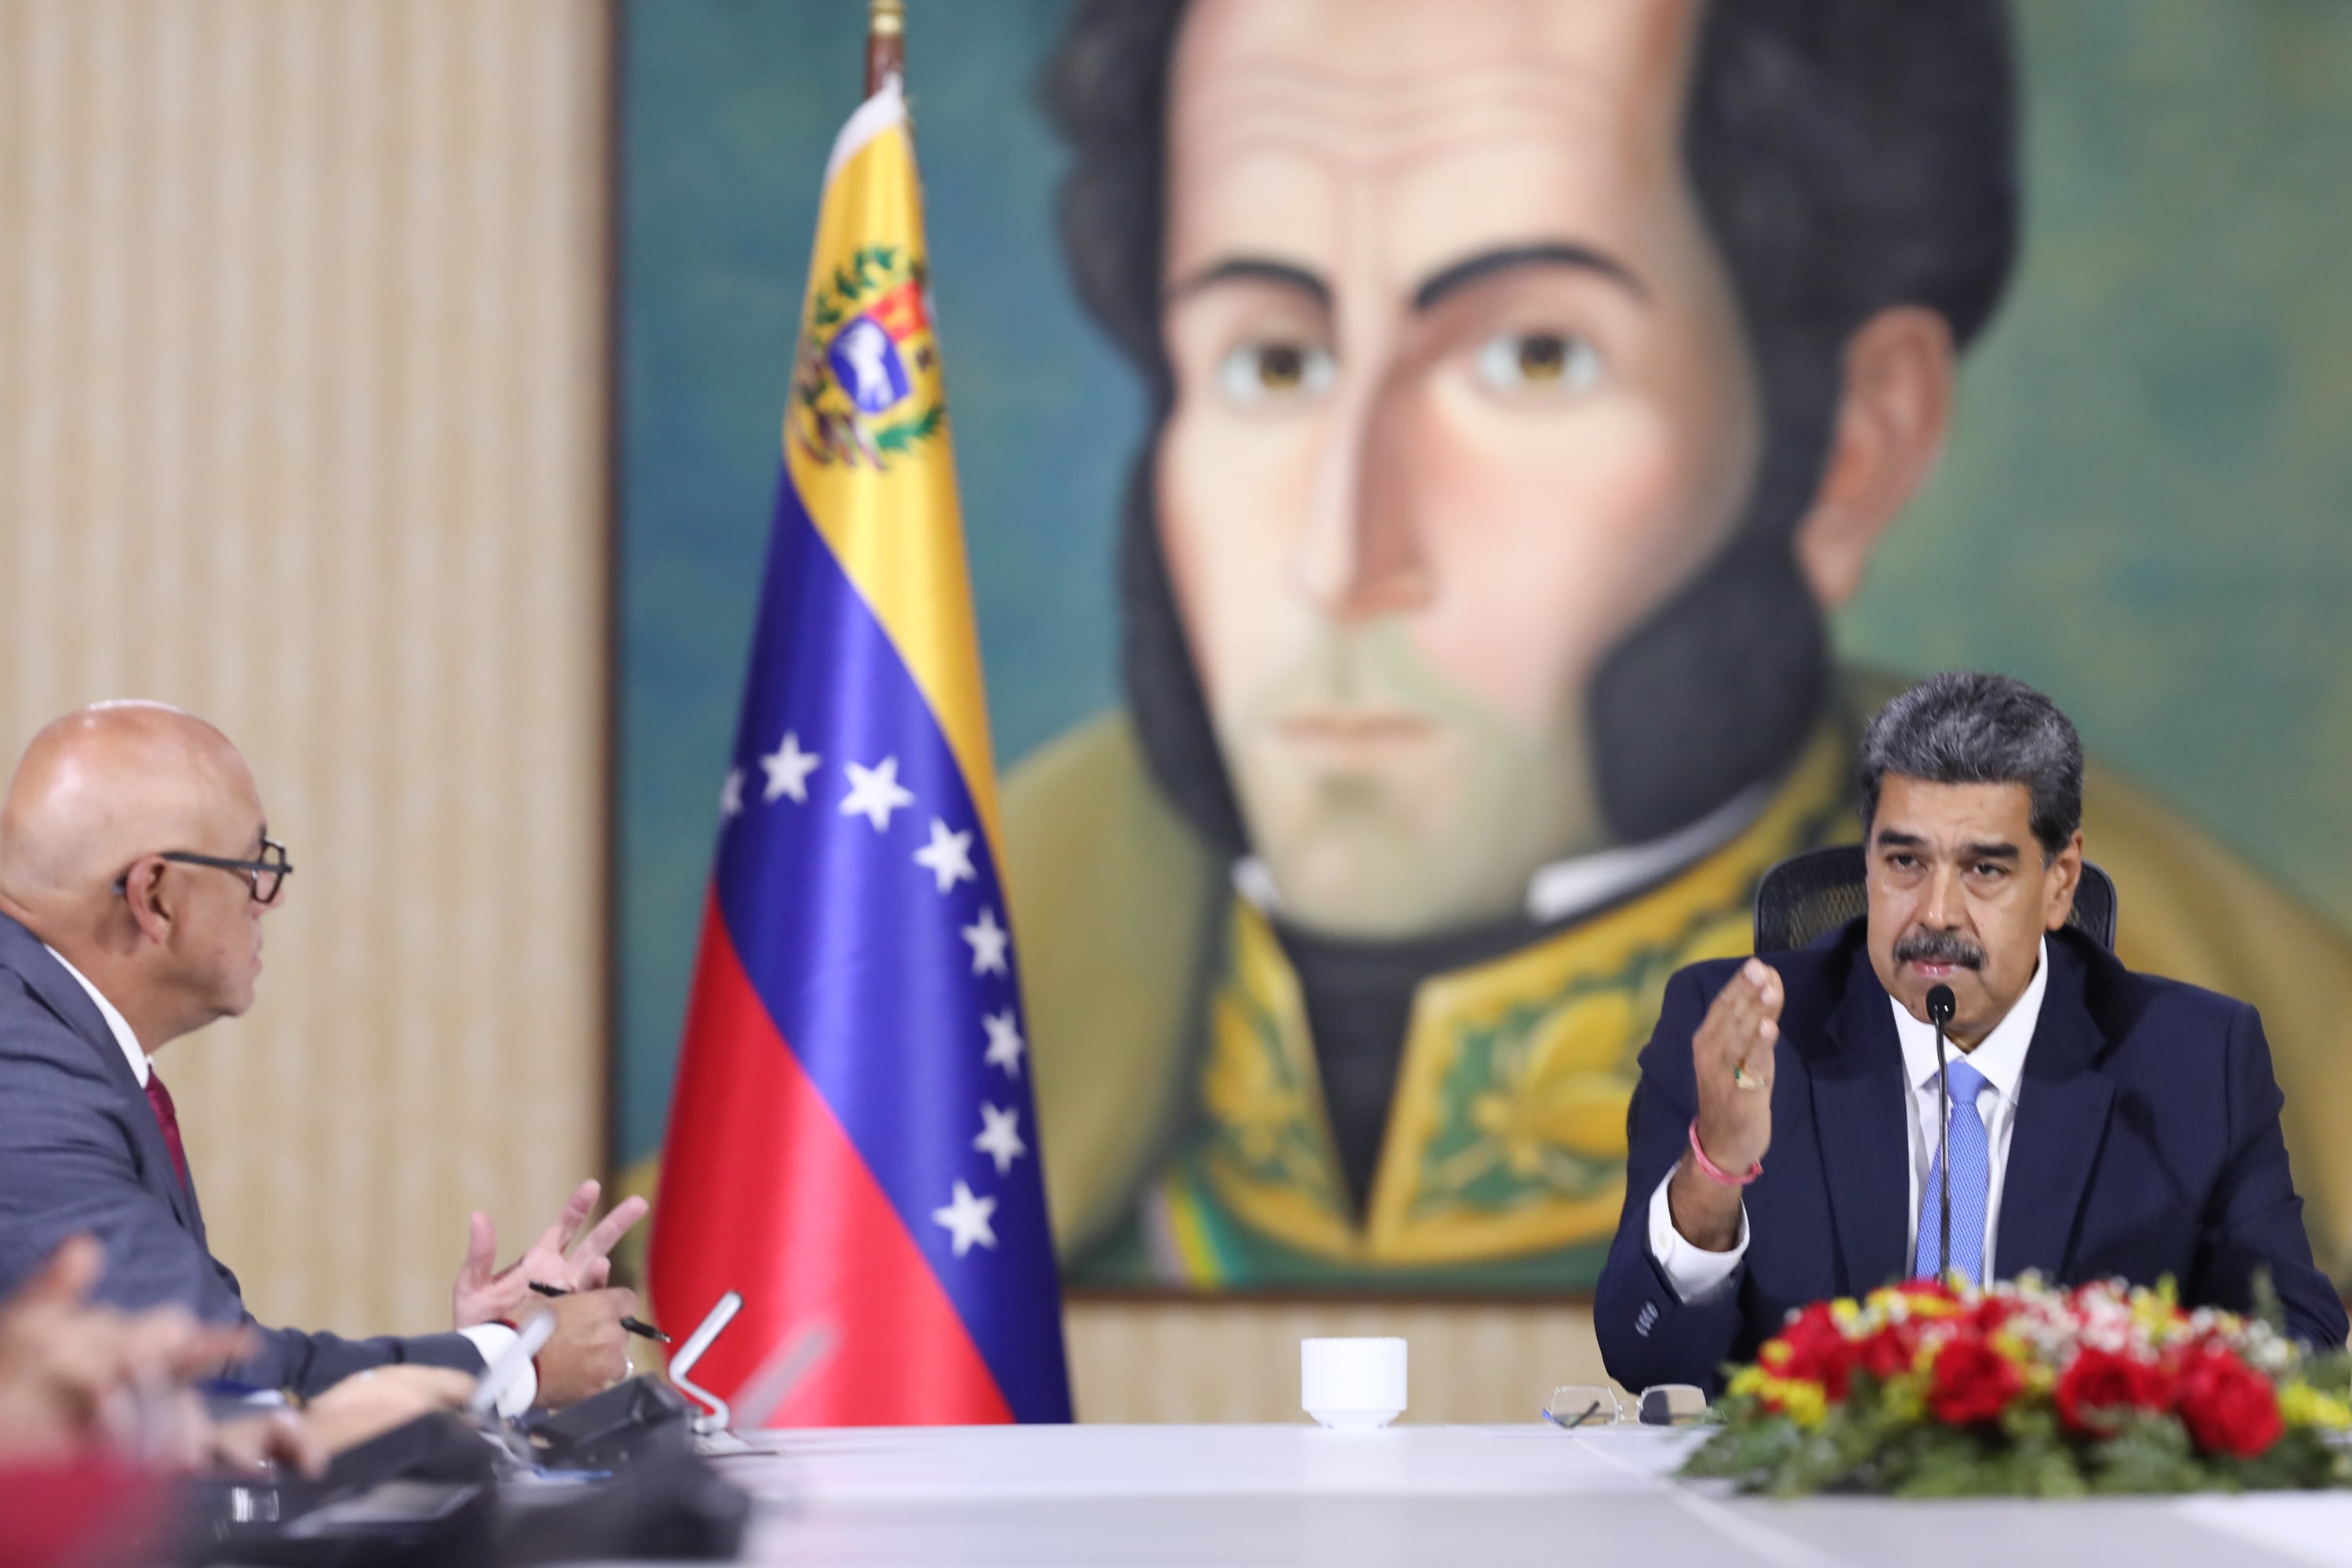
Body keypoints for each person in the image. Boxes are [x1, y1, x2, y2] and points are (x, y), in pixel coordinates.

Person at [1004, 0, 2352, 1291]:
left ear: (1848, 443)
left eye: (1535, 356)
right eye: (1271, 363)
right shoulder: (928, 985)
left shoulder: (2245, 1044)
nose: (1343, 559)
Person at [1595, 673, 2349, 1392]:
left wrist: (2141, 1384)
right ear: (1867, 867)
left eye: (1984, 870)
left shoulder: (2191, 1058)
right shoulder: (1749, 1035)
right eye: (1904, 862)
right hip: (1812, 1505)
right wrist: (1715, 1171)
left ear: (2060, 882)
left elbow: (2300, 1333)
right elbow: (1644, 1353)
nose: (1935, 913)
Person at [0, 702, 647, 1411]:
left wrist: (476, 1353)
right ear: (155, 896)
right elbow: (206, 1379)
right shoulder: (23, 1078)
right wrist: (509, 1362)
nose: (265, 902)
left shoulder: (49, 1039)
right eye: (252, 867)